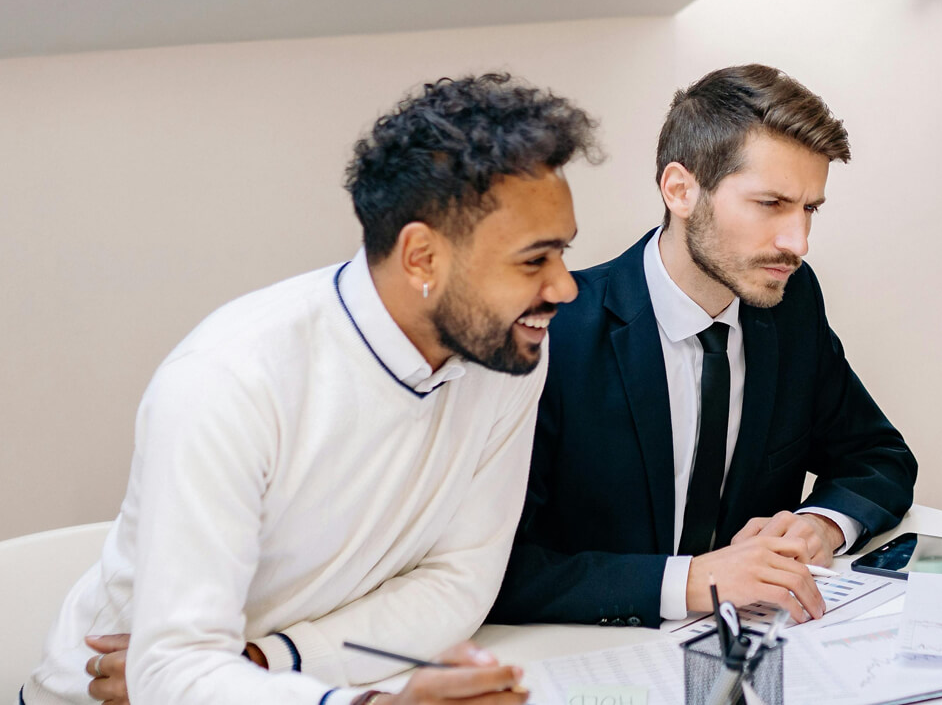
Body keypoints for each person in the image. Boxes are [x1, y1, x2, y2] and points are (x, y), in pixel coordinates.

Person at [24, 74, 598, 705]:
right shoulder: (229, 379)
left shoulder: (506, 353)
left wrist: (266, 661)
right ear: (422, 258)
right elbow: (171, 670)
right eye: (534, 260)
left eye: (563, 253)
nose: (565, 288)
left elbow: (459, 582)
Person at [487, 65, 917, 629]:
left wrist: (821, 524)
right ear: (680, 190)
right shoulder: (553, 332)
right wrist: (689, 582)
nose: (799, 242)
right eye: (770, 204)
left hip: (759, 645)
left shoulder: (791, 301)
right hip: (592, 654)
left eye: (809, 208)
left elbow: (877, 458)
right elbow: (497, 569)